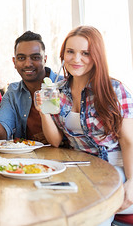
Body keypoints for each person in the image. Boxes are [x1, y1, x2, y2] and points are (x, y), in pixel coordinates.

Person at [36, 26, 133, 218]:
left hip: (115, 170)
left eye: (85, 53)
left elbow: (129, 141)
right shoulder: (58, 90)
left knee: (87, 210)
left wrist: (132, 181)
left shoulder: (114, 89)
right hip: (78, 170)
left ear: (96, 56)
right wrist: (43, 112)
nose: (76, 59)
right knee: (40, 195)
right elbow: (55, 141)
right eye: (70, 51)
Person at [0, 31, 61, 142]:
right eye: (21, 58)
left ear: (44, 59)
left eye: (35, 57)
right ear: (14, 62)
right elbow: (0, 136)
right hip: (26, 157)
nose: (28, 63)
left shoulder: (63, 85)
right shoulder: (13, 92)